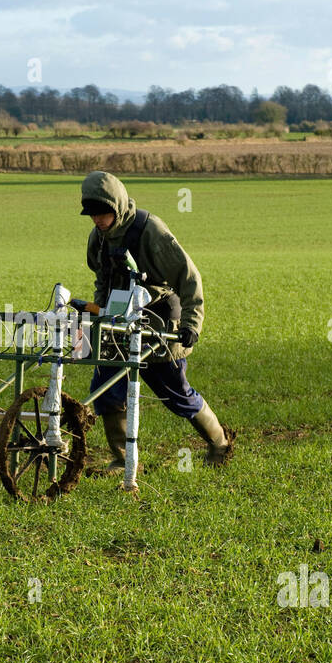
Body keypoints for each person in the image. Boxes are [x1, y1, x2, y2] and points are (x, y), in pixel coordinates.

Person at [77, 170, 234, 472]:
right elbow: (103, 279)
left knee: (175, 394)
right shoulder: (98, 238)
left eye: (103, 213)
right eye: (92, 215)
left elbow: (189, 278)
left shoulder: (151, 231)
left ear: (117, 206)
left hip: (158, 319)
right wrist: (100, 311)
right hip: (118, 322)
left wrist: (191, 324)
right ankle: (123, 460)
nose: (97, 220)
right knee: (107, 389)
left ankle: (220, 443)